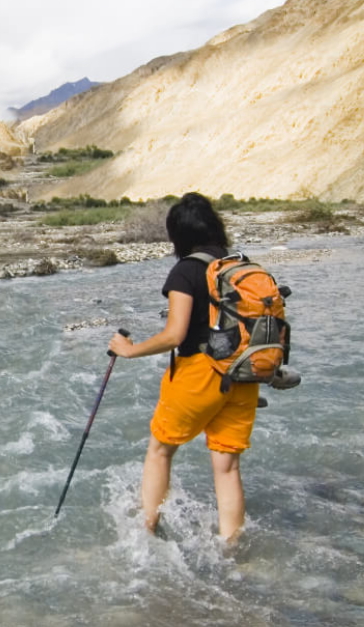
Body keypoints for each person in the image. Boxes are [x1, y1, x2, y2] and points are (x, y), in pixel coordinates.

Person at [108, 192, 260, 542]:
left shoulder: (186, 271)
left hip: (199, 374)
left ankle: (147, 529)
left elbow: (174, 335)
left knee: (160, 450)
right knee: (228, 467)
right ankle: (233, 548)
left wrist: (130, 351)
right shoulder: (239, 265)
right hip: (243, 374)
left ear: (178, 235)